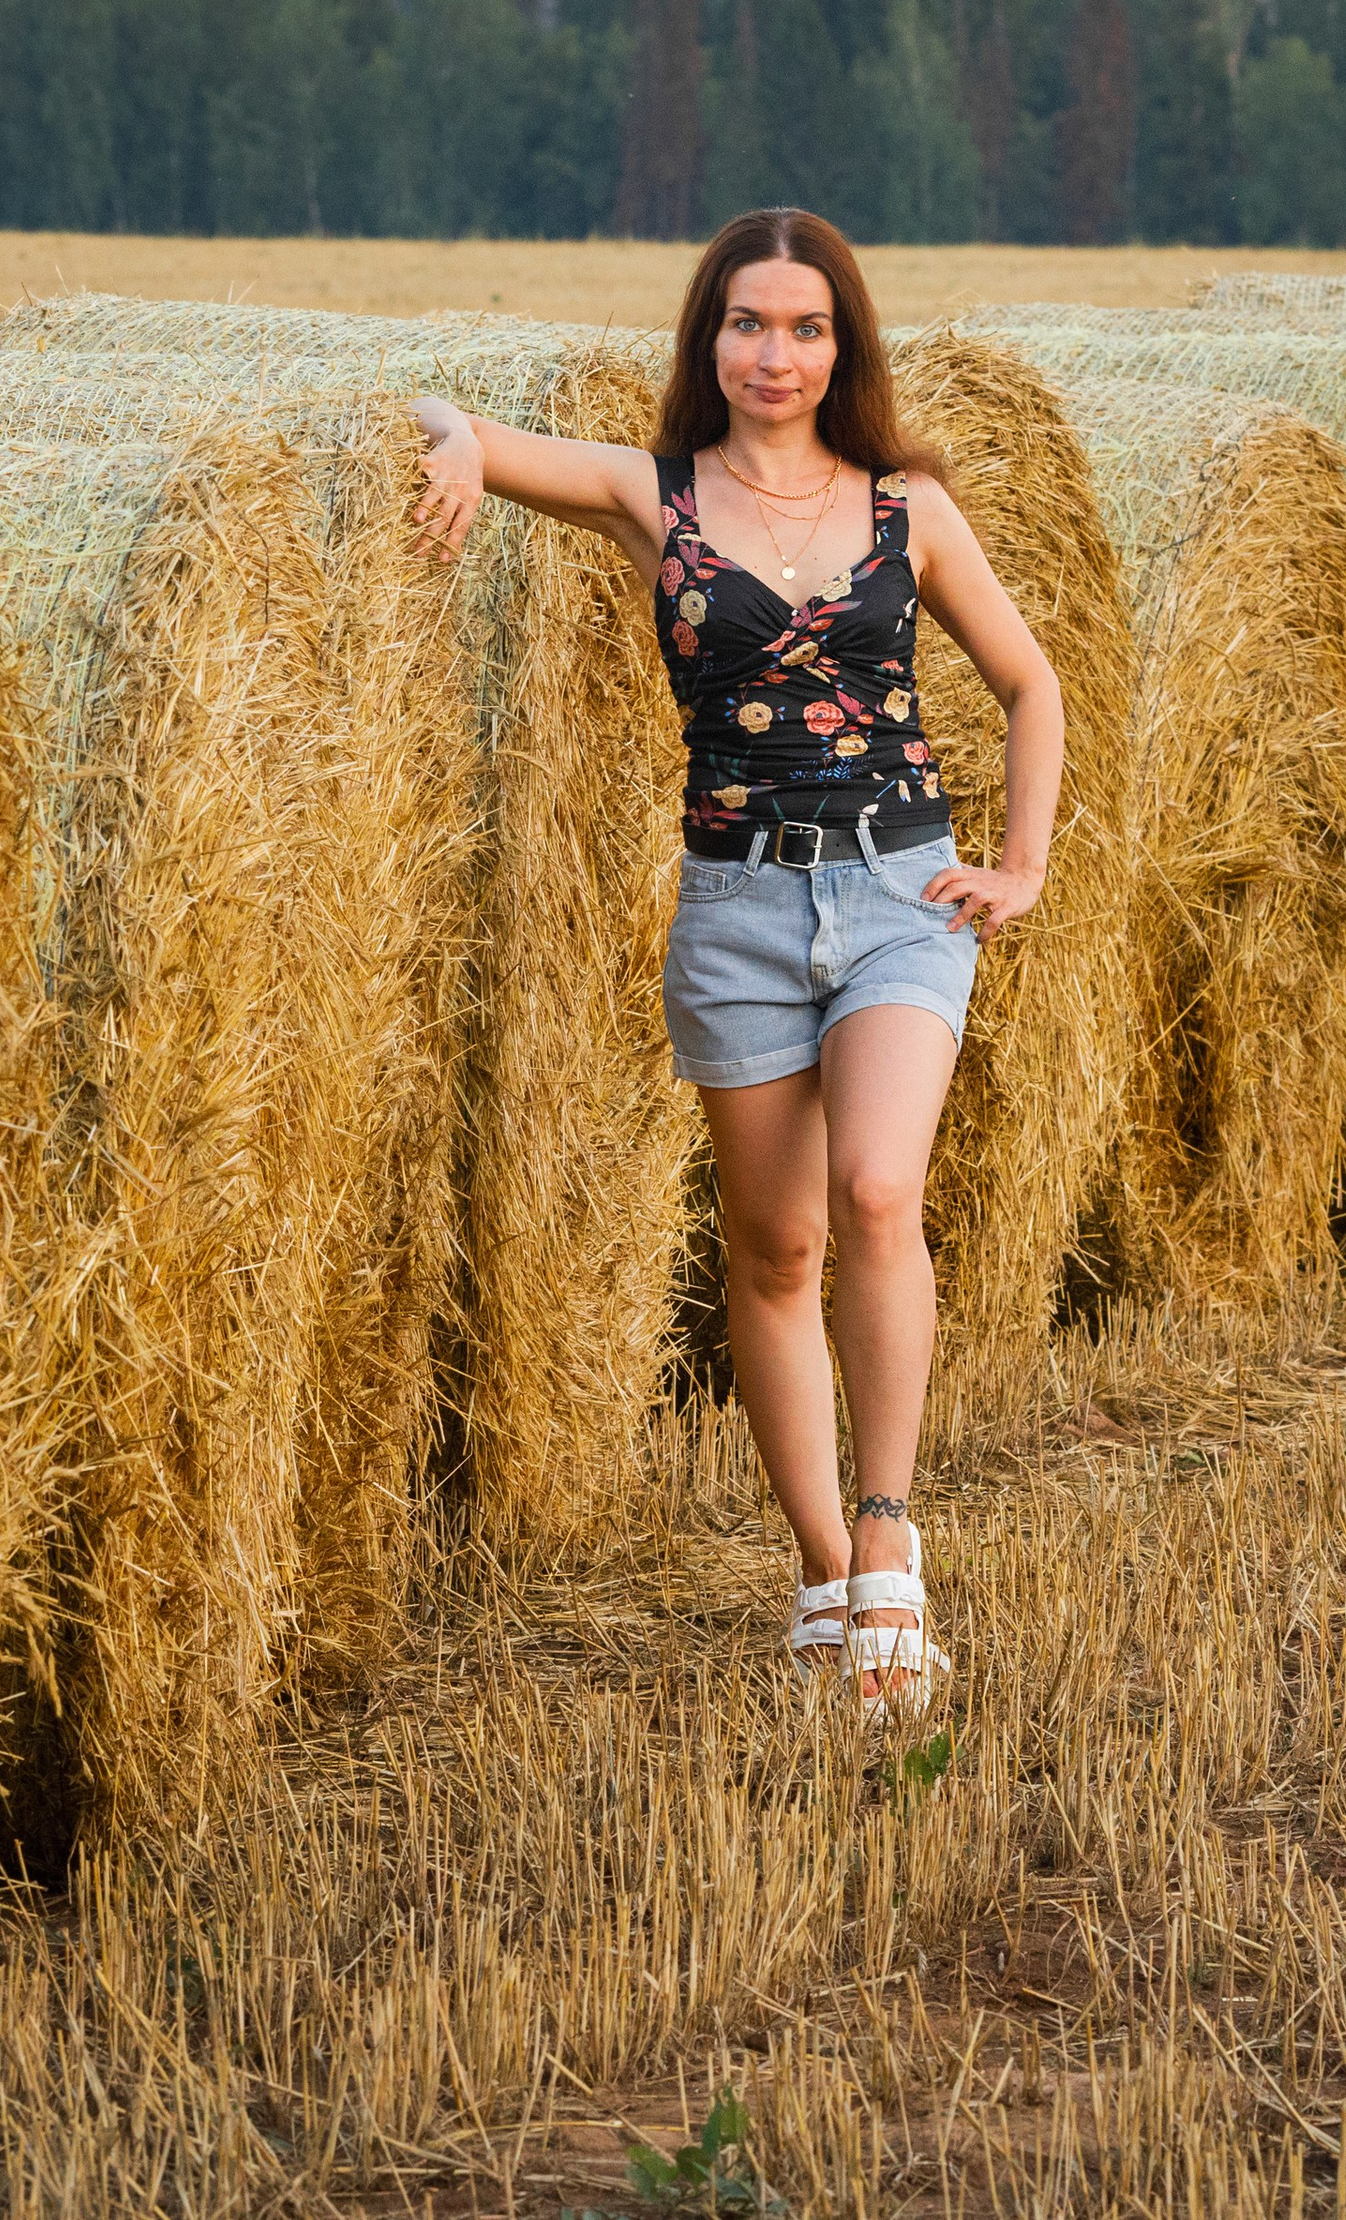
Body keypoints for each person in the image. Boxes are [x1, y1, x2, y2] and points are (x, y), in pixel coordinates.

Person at [407, 207, 1063, 1714]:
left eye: (807, 326)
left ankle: (891, 1545)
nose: (777, 353)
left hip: (901, 893)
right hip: (738, 910)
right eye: (749, 324)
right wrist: (448, 441)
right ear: (711, 339)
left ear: (846, 345)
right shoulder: (658, 497)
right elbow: (465, 422)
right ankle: (827, 1574)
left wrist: (1018, 867)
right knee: (772, 1256)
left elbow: (1032, 685)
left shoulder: (912, 507)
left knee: (879, 1190)